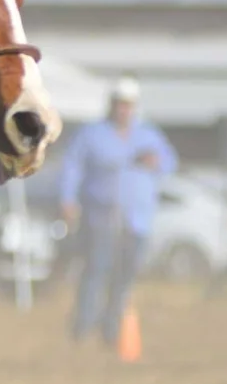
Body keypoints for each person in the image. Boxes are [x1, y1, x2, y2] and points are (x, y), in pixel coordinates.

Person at [57, 76, 178, 346]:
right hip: (100, 217)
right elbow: (71, 167)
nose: (123, 110)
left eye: (128, 104)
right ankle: (83, 328)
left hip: (137, 220)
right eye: (119, 104)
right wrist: (67, 200)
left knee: (124, 277)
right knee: (95, 271)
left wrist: (156, 162)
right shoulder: (91, 134)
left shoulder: (149, 135)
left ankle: (112, 330)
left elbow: (170, 163)